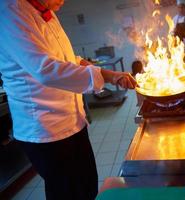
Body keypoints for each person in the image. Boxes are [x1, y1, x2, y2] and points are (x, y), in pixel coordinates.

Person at [0, 0, 136, 199]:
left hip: (72, 121)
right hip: (46, 128)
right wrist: (106, 77)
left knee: (87, 185)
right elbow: (46, 70)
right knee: (67, 193)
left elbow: (69, 58)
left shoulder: (47, 12)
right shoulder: (11, 12)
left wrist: (112, 75)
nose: (64, 1)